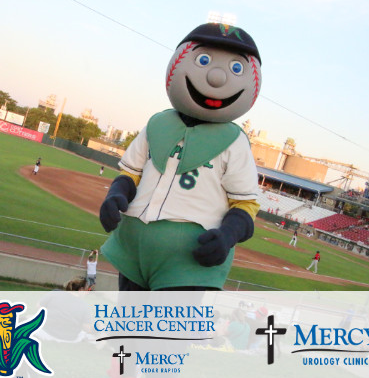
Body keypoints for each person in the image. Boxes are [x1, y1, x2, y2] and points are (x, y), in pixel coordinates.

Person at [99, 23, 262, 290]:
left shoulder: (236, 142)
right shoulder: (157, 124)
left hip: (189, 264)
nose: (216, 78)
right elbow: (131, 173)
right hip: (132, 253)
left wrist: (227, 235)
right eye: (204, 60)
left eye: (235, 68)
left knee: (169, 331)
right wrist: (115, 194)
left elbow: (245, 204)